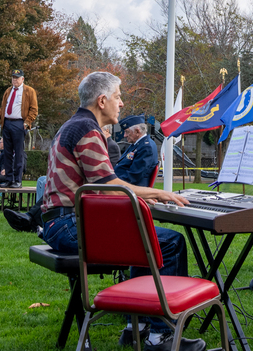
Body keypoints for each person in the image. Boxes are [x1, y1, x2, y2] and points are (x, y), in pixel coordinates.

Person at [41, 71, 206, 351]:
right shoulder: (87, 130)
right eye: (118, 97)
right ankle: (161, 335)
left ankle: (136, 326)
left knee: (143, 235)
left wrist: (137, 199)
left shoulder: (74, 125)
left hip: (61, 223)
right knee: (170, 243)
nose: (122, 104)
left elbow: (97, 188)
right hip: (69, 226)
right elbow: (109, 185)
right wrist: (156, 192)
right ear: (102, 100)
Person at [0, 69, 38, 189]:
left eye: (17, 78)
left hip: (19, 123)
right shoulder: (8, 90)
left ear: (22, 79)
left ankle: (17, 180)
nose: (14, 80)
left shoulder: (29, 91)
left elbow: (34, 109)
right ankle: (8, 179)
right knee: (6, 152)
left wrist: (27, 122)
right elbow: (3, 108)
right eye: (13, 77)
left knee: (18, 153)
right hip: (7, 123)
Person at [114, 122, 159, 188]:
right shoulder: (138, 144)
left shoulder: (146, 147)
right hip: (125, 186)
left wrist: (113, 182)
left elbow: (134, 175)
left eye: (127, 132)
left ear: (137, 131)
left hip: (129, 189)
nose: (125, 135)